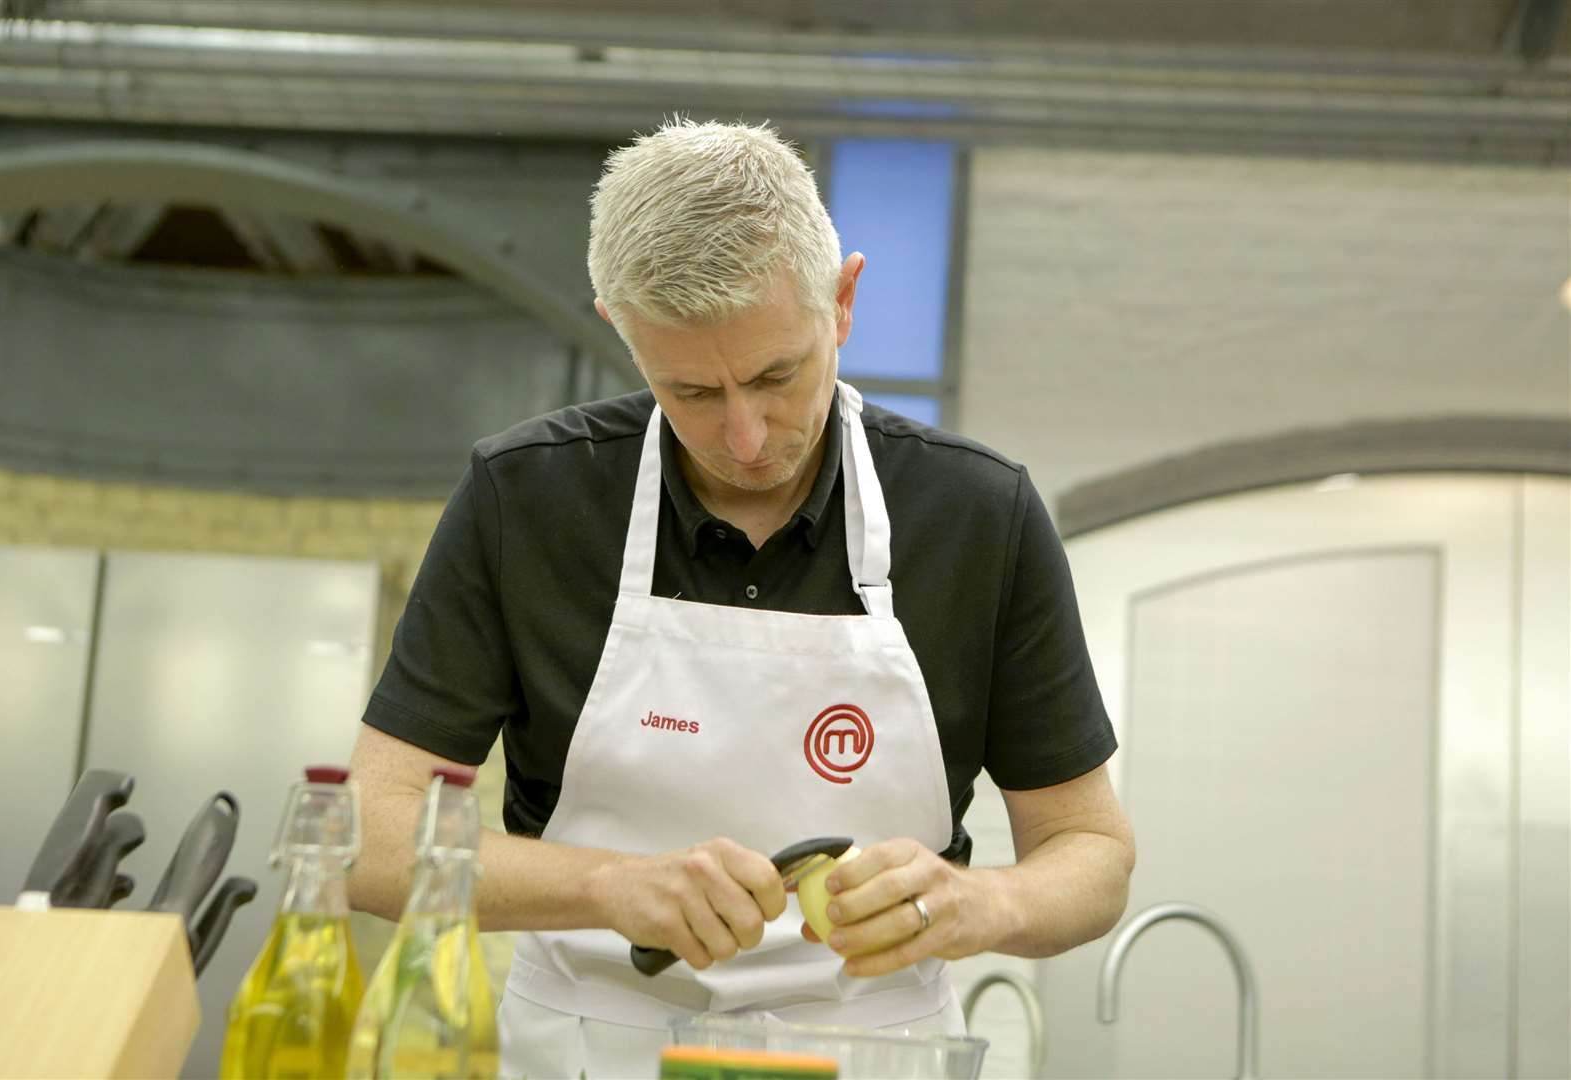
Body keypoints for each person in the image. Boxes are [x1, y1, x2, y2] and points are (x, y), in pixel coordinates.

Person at [347, 117, 1135, 1077]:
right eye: (690, 392)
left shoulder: (977, 513)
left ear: (842, 302)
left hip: (874, 1048)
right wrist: (608, 887)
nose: (747, 437)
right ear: (620, 329)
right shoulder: (528, 501)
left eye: (777, 375)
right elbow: (372, 842)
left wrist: (980, 904)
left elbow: (1091, 854)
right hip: (593, 1048)